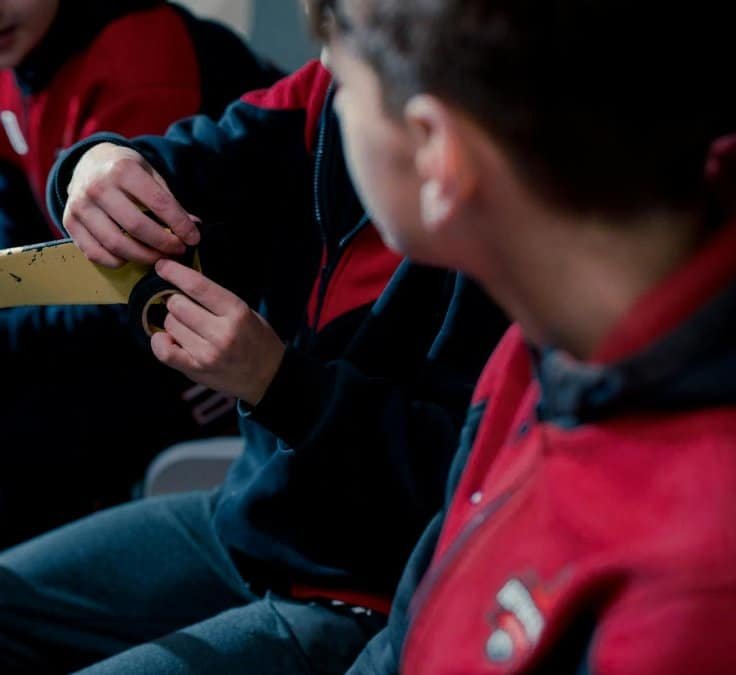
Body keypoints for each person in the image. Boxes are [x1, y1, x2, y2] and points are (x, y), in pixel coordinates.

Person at [0, 20, 510, 674]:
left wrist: (279, 384)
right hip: (258, 515)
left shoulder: (501, 246)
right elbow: (193, 160)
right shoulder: (318, 95)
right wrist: (95, 163)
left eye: (345, 75)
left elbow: (455, 489)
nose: (324, 79)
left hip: (365, 589)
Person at [291, 1, 736, 673]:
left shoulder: (689, 590)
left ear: (436, 150)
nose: (325, 85)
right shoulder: (548, 329)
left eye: (345, 85)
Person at [0, 0, 282, 551]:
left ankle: (52, 607)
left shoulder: (137, 64)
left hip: (246, 346)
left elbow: (140, 303)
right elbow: (19, 257)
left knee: (25, 423)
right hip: (145, 313)